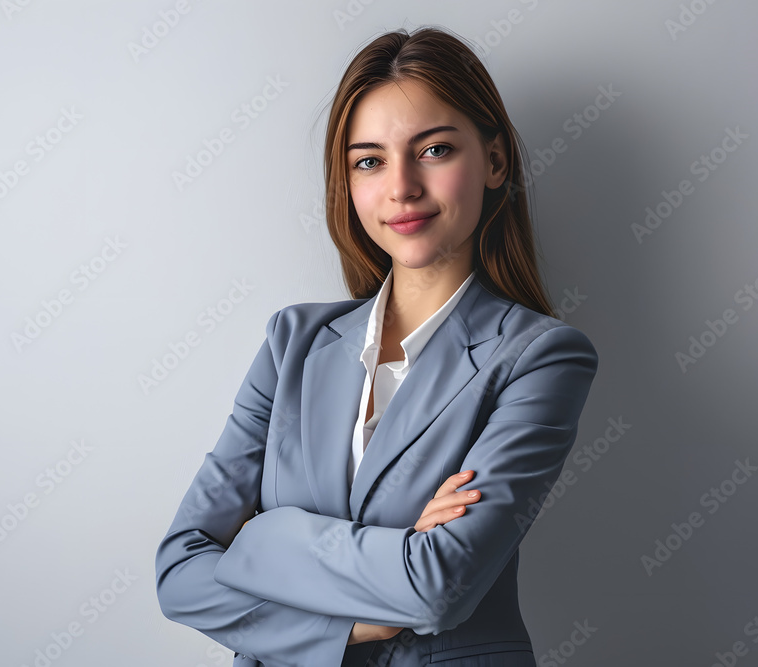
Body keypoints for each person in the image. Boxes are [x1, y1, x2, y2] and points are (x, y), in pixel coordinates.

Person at [155, 25, 598, 667]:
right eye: (369, 161)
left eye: (435, 150)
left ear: (496, 161)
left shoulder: (541, 357)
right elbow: (180, 574)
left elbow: (436, 588)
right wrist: (352, 626)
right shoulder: (292, 342)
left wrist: (263, 537)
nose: (402, 187)